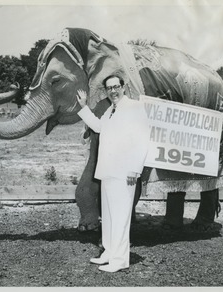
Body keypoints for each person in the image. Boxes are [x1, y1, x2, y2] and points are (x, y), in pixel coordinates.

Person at [76, 75, 150, 272]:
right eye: (109, 88)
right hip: (108, 172)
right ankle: (108, 252)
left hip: (125, 172)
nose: (113, 91)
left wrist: (135, 169)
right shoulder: (110, 110)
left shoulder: (134, 107)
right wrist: (83, 107)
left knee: (120, 217)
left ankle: (119, 260)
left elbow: (143, 140)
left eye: (116, 87)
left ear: (123, 87)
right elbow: (99, 127)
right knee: (108, 216)